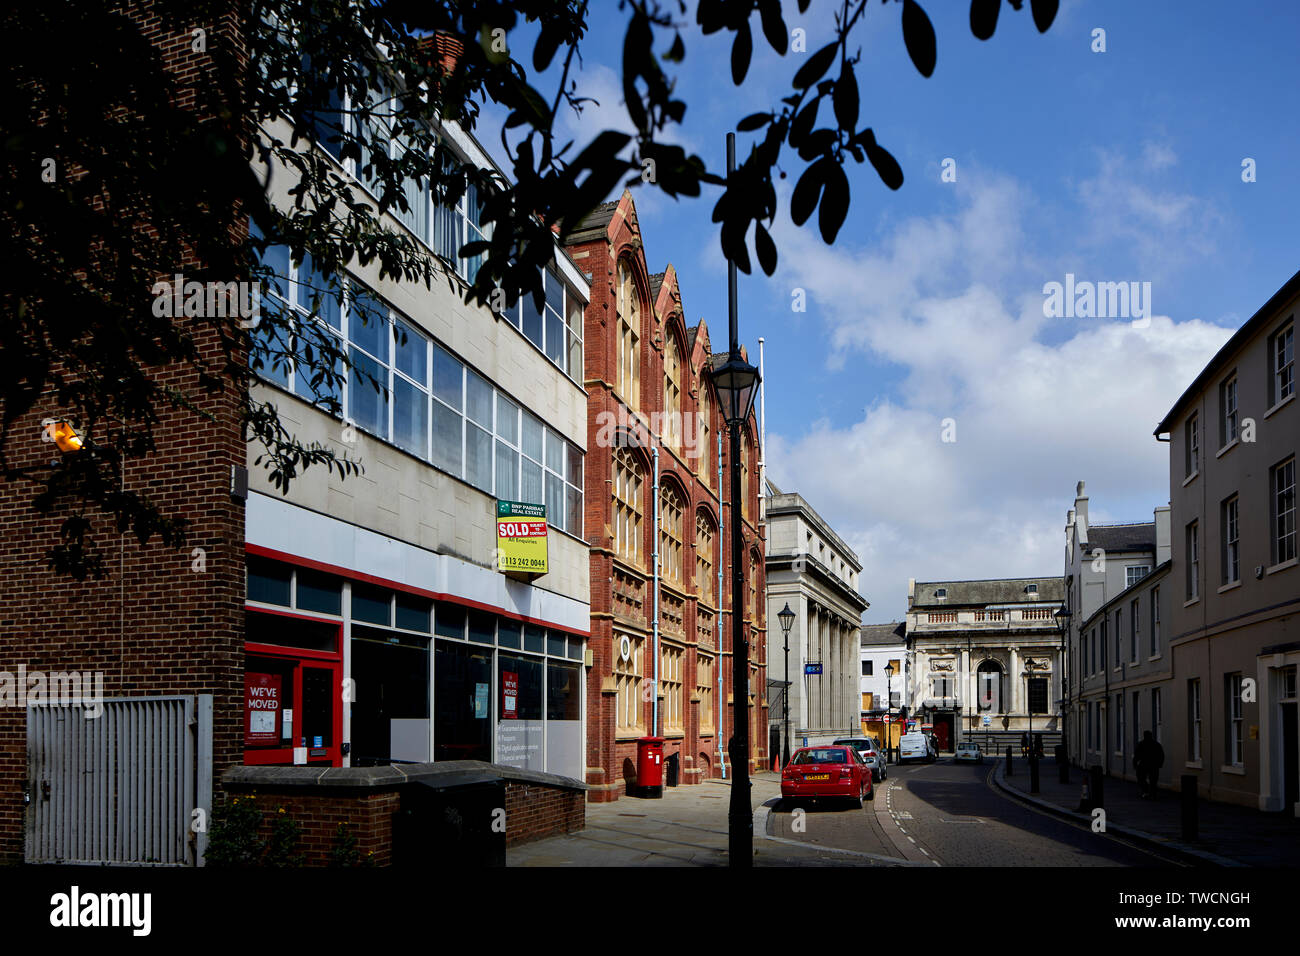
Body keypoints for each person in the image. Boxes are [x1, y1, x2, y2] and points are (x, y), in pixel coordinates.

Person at [1134, 731, 1165, 798]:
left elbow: (1136, 755)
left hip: (1144, 764)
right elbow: (1161, 755)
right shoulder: (1156, 744)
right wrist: (1160, 764)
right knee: (1153, 780)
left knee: (1141, 778)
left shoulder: (1141, 744)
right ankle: (1152, 793)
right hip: (1153, 764)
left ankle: (1146, 791)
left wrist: (1135, 764)